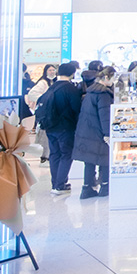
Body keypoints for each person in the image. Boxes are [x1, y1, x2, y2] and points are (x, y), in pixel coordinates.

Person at [72, 66, 115, 199]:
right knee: (105, 159)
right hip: (98, 132)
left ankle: (87, 188)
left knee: (89, 161)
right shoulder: (103, 94)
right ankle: (105, 186)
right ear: (106, 77)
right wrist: (107, 133)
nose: (113, 81)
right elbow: (105, 115)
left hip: (86, 131)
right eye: (113, 78)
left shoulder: (91, 91)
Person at [41, 63, 83, 195]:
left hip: (50, 126)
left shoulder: (52, 87)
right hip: (65, 127)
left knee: (54, 154)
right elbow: (76, 108)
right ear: (72, 73)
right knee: (66, 154)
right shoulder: (70, 89)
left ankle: (55, 183)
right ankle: (60, 185)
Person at [27, 63, 56, 164]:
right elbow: (32, 94)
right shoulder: (43, 83)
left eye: (53, 70)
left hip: (53, 112)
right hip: (45, 113)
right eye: (50, 70)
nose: (52, 72)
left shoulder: (55, 82)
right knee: (44, 135)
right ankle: (44, 156)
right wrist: (45, 99)